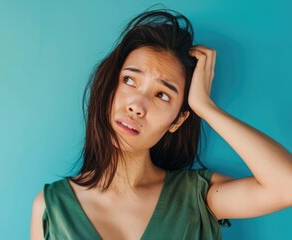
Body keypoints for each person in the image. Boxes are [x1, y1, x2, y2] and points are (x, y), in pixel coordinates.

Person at [30, 8, 292, 240]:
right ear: (110, 87)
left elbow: (286, 186)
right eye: (130, 81)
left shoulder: (197, 196)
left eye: (162, 95)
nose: (136, 106)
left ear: (177, 120)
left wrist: (206, 108)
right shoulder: (52, 208)